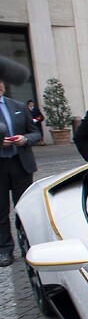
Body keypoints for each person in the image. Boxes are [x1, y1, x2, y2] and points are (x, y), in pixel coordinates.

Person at [0, 78, 42, 267]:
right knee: (1, 211)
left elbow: (36, 133)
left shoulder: (17, 106)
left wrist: (25, 138)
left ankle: (29, 246)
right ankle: (5, 250)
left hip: (20, 164)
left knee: (24, 208)